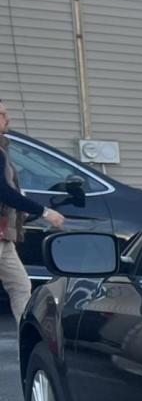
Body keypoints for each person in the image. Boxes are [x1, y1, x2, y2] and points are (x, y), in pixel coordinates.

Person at [0, 99, 65, 326]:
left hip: (4, 238)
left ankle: (25, 343)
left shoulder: (2, 149)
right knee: (19, 287)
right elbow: (4, 192)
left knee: (20, 286)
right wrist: (45, 211)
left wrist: (20, 212)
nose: (7, 119)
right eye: (2, 115)